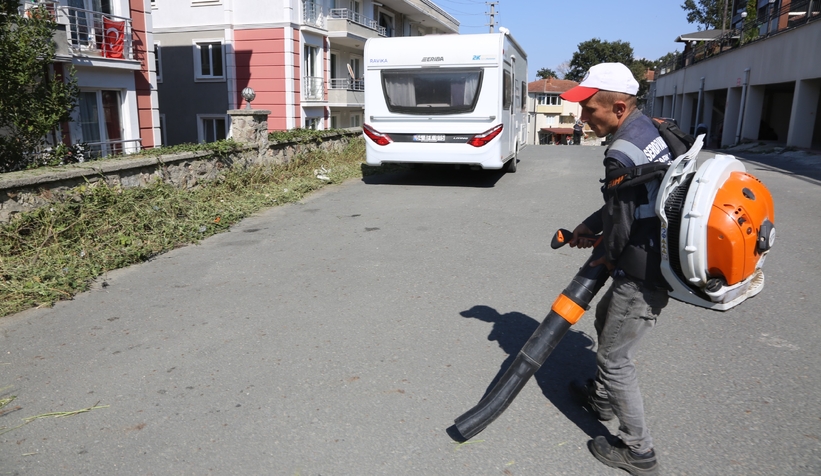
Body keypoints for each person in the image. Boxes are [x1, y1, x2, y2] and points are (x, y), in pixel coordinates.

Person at [559, 62, 672, 476]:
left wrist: (606, 254)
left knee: (613, 358)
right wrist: (589, 228)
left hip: (644, 270)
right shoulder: (651, 129)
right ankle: (602, 399)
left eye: (590, 109)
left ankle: (639, 452)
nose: (583, 118)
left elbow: (622, 224)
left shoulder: (620, 152)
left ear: (620, 108)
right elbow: (626, 202)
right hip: (655, 248)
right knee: (607, 317)